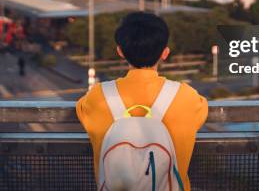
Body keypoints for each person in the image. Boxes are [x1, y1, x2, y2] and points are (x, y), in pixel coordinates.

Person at [77, 12, 208, 190]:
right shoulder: (187, 97)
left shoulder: (98, 97)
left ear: (120, 51)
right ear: (165, 53)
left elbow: (82, 110)